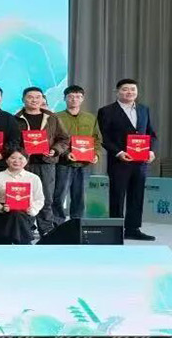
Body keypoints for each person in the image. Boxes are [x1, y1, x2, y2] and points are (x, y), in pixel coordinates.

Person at [99, 78, 156, 239]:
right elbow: (104, 137)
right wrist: (118, 153)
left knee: (137, 195)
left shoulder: (144, 109)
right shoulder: (106, 111)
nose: (129, 92)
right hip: (119, 161)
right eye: (125, 89)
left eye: (133, 89)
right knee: (117, 195)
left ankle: (133, 229)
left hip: (140, 161)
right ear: (117, 92)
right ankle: (115, 230)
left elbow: (150, 133)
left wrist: (151, 151)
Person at [49, 84, 99, 229]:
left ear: (82, 99)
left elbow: (96, 138)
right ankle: (58, 224)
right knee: (59, 195)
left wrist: (95, 154)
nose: (74, 99)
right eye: (70, 96)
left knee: (79, 196)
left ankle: (77, 224)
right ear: (64, 98)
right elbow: (52, 140)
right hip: (63, 163)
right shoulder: (56, 117)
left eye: (78, 97)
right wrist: (65, 153)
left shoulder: (90, 118)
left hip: (84, 164)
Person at [0, 146, 46, 244]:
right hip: (3, 213)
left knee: (17, 215)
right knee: (14, 216)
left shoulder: (34, 178)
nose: (16, 161)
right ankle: (25, 244)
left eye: (20, 158)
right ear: (6, 160)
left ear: (26, 160)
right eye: (13, 158)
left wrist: (32, 210)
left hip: (26, 214)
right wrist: (1, 208)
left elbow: (39, 199)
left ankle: (2, 242)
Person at [15, 86, 58, 219]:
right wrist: (20, 152)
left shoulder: (52, 118)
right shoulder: (15, 119)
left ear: (42, 99)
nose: (34, 100)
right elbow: (11, 140)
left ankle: (46, 228)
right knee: (24, 198)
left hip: (46, 163)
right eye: (30, 97)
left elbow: (64, 138)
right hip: (23, 164)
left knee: (46, 198)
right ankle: (27, 227)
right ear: (23, 99)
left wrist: (55, 150)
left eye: (38, 97)